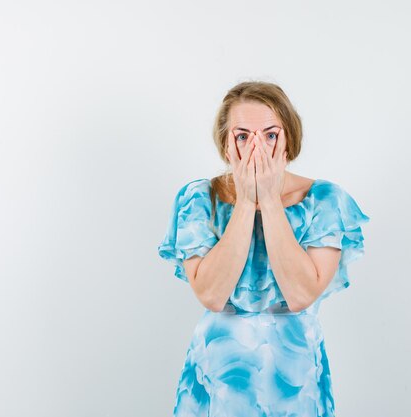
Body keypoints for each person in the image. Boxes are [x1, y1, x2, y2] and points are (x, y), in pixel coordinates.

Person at [157, 81, 371, 416]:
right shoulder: (199, 199)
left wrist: (270, 201)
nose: (257, 149)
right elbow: (212, 295)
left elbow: (301, 294)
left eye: (270, 135)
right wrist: (245, 203)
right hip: (219, 375)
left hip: (293, 378)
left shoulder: (326, 200)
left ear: (288, 139)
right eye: (243, 136)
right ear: (227, 145)